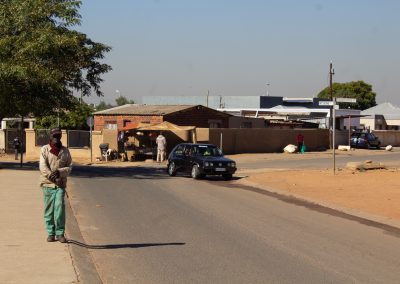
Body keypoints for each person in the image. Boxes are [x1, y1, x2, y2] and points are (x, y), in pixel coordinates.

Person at [39, 127, 72, 243]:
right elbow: (42, 167)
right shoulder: (44, 149)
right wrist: (51, 175)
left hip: (60, 185)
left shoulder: (65, 151)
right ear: (50, 137)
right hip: (47, 184)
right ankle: (50, 233)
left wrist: (60, 172)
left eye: (59, 136)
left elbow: (69, 167)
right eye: (54, 136)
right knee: (49, 210)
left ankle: (60, 233)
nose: (57, 138)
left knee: (59, 207)